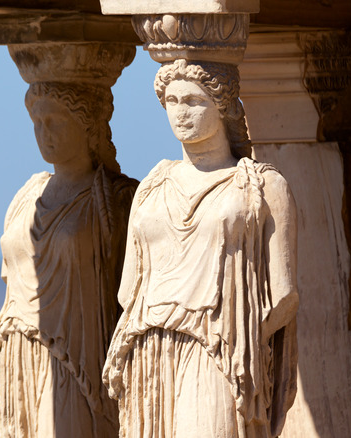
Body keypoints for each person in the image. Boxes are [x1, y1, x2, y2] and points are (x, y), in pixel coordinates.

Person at [102, 59, 299, 438]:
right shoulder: (153, 185)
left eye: (193, 101)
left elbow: (284, 293)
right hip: (150, 346)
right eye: (171, 101)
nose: (180, 112)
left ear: (222, 105)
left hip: (220, 347)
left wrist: (240, 340)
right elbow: (130, 288)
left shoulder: (260, 186)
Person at [0, 81, 138, 438]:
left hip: (79, 356)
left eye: (55, 121)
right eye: (37, 122)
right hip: (19, 347)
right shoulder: (27, 194)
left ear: (86, 125)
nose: (44, 133)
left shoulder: (115, 199)